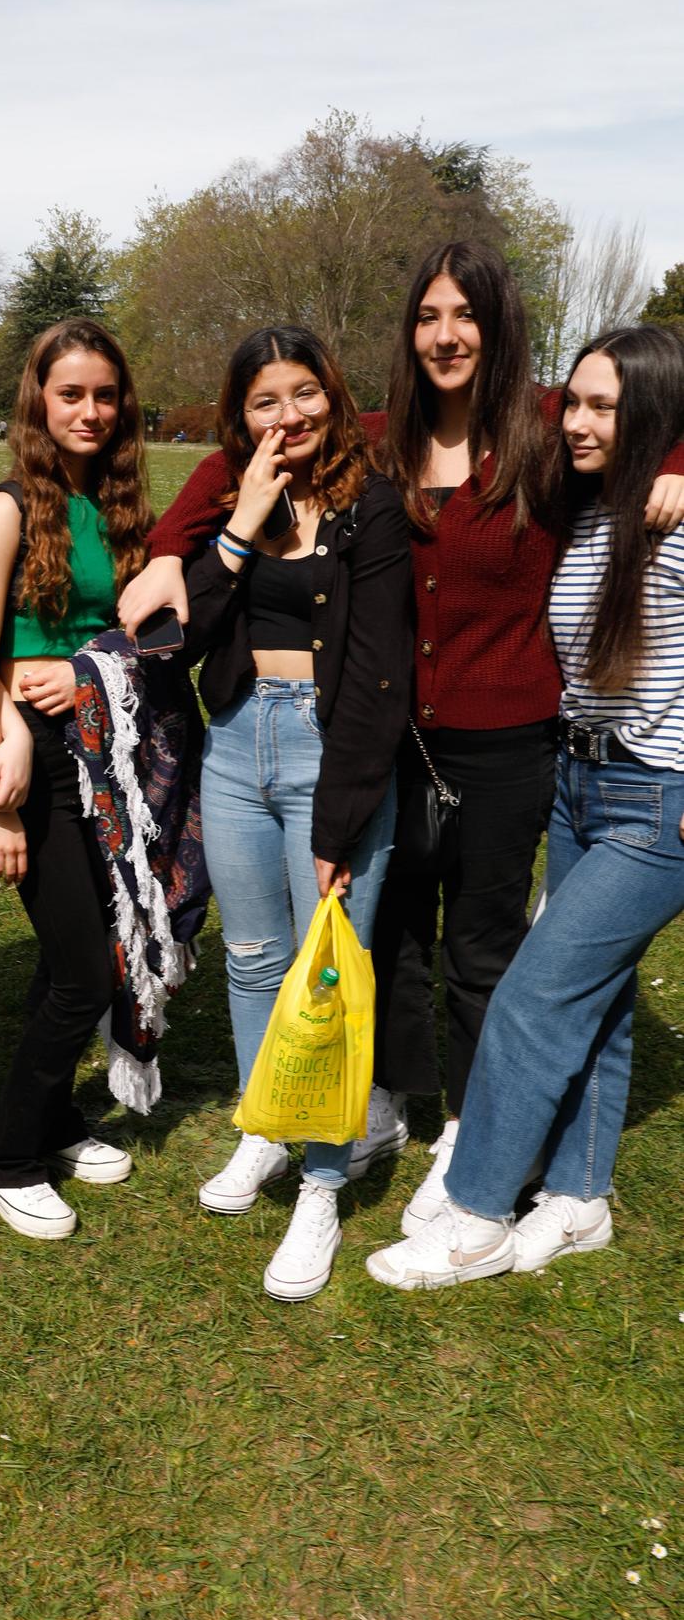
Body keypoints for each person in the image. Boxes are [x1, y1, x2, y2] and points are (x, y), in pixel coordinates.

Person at [121, 243, 684, 1222]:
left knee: (480, 947)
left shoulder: (543, 432)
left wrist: (679, 463)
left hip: (508, 742)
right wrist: (172, 550)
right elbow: (237, 453)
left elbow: (640, 416)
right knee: (388, 932)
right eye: (428, 314)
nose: (445, 332)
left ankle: (469, 1126)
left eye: (465, 313)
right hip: (388, 736)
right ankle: (379, 1101)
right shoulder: (382, 438)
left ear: (497, 325)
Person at [367, 324, 684, 1287]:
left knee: (532, 995)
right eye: (574, 401)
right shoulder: (582, 505)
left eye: (601, 408)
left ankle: (475, 1213)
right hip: (578, 786)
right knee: (598, 997)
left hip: (657, 803)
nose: (574, 422)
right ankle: (580, 1199)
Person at [184, 327, 411, 1298]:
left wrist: (340, 819)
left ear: (333, 393)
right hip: (234, 744)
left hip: (332, 754)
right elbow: (182, 628)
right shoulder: (233, 498)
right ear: (241, 415)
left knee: (324, 973)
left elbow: (377, 676)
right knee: (252, 958)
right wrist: (241, 521)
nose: (288, 416)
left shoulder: (373, 507)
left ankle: (323, 1180)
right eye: (265, 401)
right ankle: (266, 1127)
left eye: (304, 393)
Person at [0, 317, 155, 1240]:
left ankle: (56, 1117)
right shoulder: (5, 509)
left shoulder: (115, 511)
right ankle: (6, 1157)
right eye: (70, 393)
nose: (88, 410)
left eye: (104, 394)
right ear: (37, 398)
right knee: (84, 970)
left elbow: (134, 638)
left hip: (100, 754)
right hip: (24, 758)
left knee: (80, 949)